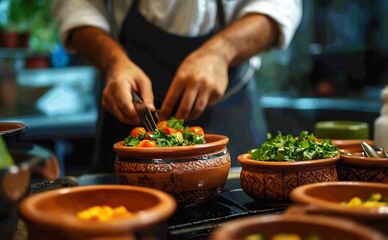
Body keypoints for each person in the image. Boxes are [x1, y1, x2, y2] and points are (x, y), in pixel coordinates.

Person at [52, 0, 302, 172]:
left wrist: (222, 51)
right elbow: (77, 6)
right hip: (128, 113)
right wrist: (113, 60)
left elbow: (280, 5)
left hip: (232, 110)